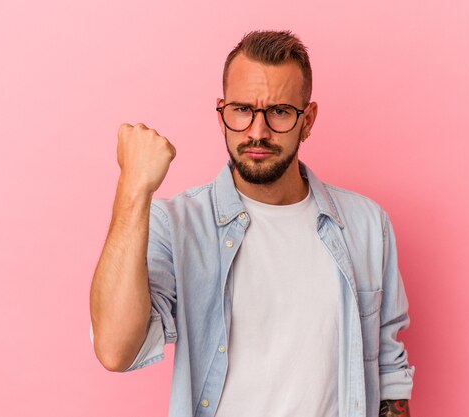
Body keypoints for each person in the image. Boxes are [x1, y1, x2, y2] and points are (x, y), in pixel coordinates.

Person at [90, 30, 414, 417]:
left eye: (279, 112)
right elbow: (114, 350)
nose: (257, 132)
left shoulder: (366, 225)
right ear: (221, 111)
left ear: (307, 120)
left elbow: (389, 374)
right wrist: (133, 190)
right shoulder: (178, 226)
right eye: (242, 110)